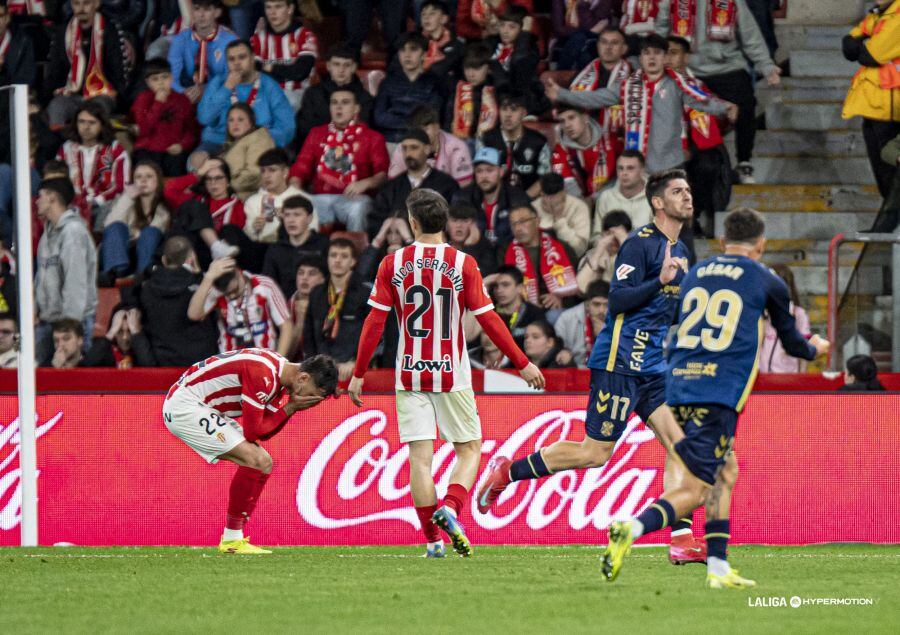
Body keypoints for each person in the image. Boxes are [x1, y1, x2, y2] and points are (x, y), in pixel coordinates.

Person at [478, 169, 711, 565]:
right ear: (657, 202)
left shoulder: (682, 251)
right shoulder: (640, 244)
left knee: (681, 446)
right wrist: (659, 281)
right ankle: (507, 472)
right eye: (677, 191)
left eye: (688, 190)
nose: (687, 196)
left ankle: (682, 539)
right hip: (619, 361)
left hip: (653, 365)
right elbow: (617, 301)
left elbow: (668, 311)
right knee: (595, 452)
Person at [602, 207, 829, 588]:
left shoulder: (696, 273)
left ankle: (718, 568)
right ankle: (632, 527)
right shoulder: (767, 279)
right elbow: (793, 344)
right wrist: (816, 348)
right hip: (717, 392)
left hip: (677, 386)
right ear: (761, 244)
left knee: (726, 471)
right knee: (696, 488)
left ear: (723, 241)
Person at [348, 188, 545, 558]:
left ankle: (433, 542)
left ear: (413, 222)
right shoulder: (463, 263)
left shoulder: (392, 262)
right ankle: (451, 508)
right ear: (444, 222)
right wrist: (522, 362)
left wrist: (359, 372)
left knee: (420, 459)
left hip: (409, 372)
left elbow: (375, 321)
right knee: (469, 449)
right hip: (451, 372)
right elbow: (489, 319)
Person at [162, 349, 337, 553]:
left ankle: (233, 539)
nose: (310, 402)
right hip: (185, 407)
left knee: (263, 462)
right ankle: (231, 541)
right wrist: (290, 408)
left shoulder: (279, 377)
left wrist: (290, 408)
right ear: (303, 378)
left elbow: (266, 431)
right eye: (312, 396)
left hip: (201, 406)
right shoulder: (262, 373)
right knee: (254, 459)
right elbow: (254, 432)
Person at [547, 34, 736, 174]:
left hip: (670, 163)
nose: (652, 58)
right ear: (640, 59)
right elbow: (596, 97)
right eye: (646, 53)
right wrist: (562, 94)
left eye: (657, 53)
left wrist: (725, 107)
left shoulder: (677, 84)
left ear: (664, 58)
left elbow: (701, 100)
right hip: (638, 163)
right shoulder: (628, 85)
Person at [654, 0, 782, 184]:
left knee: (746, 103)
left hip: (728, 67)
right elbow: (660, 33)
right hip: (687, 70)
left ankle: (744, 161)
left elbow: (750, 34)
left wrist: (766, 66)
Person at [290, 89, 389, 233]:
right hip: (320, 197)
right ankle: (309, 247)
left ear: (356, 109)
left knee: (358, 207)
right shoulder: (317, 133)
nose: (338, 107)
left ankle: (355, 246)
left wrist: (366, 183)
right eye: (334, 103)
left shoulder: (373, 137)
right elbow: (301, 166)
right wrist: (294, 187)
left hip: (355, 199)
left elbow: (382, 174)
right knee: (295, 207)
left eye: (345, 102)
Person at [665, 35, 732, 236]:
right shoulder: (652, 86)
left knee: (709, 163)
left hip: (696, 146)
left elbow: (717, 122)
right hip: (662, 146)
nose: (667, 58)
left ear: (686, 58)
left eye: (673, 53)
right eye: (664, 53)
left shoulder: (697, 86)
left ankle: (694, 212)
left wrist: (725, 114)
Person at [194, 40, 295, 169]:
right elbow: (204, 118)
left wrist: (261, 138)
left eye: (242, 57)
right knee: (194, 162)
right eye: (231, 59)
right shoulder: (218, 82)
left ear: (252, 58)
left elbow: (287, 127)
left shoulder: (269, 85)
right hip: (219, 142)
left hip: (258, 144)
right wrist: (226, 88)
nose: (236, 63)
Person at [34, 178, 97, 366]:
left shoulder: (73, 232)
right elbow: (40, 277)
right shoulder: (47, 235)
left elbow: (75, 282)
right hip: (49, 321)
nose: (36, 201)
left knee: (71, 380)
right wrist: (35, 310)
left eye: (40, 196)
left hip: (71, 324)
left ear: (52, 197)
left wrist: (69, 329)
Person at [841, 0, 900, 199]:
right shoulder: (879, 12)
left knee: (891, 177)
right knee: (884, 178)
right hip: (875, 106)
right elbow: (849, 43)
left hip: (892, 109)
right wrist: (858, 43)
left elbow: (871, 55)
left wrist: (861, 44)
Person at [137, 235, 220, 366]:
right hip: (200, 362)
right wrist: (199, 276)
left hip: (164, 361)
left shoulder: (146, 287)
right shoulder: (201, 286)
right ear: (191, 258)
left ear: (164, 260)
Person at [44, 0, 129, 128]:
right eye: (76, 4)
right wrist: (50, 95)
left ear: (96, 4)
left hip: (102, 94)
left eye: (86, 3)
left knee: (95, 110)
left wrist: (117, 93)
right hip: (71, 93)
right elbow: (55, 69)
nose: (81, 8)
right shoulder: (63, 31)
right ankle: (58, 141)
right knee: (56, 107)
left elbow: (118, 69)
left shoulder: (110, 29)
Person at [188, 256, 293, 355]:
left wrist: (278, 362)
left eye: (235, 290)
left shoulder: (264, 286)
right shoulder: (217, 291)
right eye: (227, 293)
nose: (232, 296)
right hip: (229, 361)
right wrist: (208, 278)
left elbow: (286, 326)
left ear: (239, 272)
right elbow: (193, 314)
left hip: (263, 358)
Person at [369, 128, 460, 240]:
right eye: (404, 148)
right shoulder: (390, 187)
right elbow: (375, 223)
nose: (408, 154)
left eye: (414, 148)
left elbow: (453, 222)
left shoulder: (447, 185)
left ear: (427, 149)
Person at [301, 237, 370, 381]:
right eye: (333, 255)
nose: (337, 260)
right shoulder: (316, 293)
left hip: (353, 371)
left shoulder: (365, 294)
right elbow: (309, 336)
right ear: (327, 259)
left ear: (353, 261)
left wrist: (355, 362)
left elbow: (375, 335)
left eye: (344, 256)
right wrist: (314, 366)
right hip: (321, 372)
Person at [56, 99, 131, 224]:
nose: (86, 127)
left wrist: (95, 201)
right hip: (71, 208)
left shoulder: (115, 150)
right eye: (81, 122)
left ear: (102, 125)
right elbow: (57, 181)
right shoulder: (66, 149)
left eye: (92, 122)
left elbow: (121, 186)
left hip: (105, 206)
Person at [503, 204, 580, 320]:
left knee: (554, 316)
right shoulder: (506, 252)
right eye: (514, 224)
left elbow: (577, 284)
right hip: (522, 310)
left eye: (523, 222)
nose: (518, 228)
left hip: (556, 309)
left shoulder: (561, 248)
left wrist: (560, 297)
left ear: (537, 221)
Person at [164, 157, 246, 265]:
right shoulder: (197, 200)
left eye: (218, 178)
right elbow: (169, 191)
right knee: (191, 207)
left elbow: (236, 236)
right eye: (208, 179)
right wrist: (198, 174)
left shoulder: (238, 205)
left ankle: (217, 248)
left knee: (229, 230)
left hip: (223, 255)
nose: (213, 183)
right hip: (194, 251)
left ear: (228, 181)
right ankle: (215, 247)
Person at [99, 161, 170, 281]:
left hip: (145, 257)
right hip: (116, 255)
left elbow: (156, 232)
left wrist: (134, 236)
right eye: (138, 177)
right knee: (116, 226)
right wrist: (128, 198)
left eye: (149, 176)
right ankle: (115, 273)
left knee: (150, 233)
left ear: (158, 181)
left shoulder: (163, 209)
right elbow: (109, 227)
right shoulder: (125, 201)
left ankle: (143, 277)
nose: (143, 180)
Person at [295, 43, 375, 147]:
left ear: (354, 67)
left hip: (353, 149)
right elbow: (304, 127)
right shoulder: (313, 93)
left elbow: (363, 130)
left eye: (347, 65)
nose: (341, 70)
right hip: (316, 148)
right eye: (337, 64)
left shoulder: (365, 98)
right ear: (328, 66)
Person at [477, 89, 551, 198]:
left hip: (530, 200)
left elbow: (544, 178)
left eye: (513, 109)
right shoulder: (486, 139)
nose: (508, 115)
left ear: (524, 113)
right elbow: (481, 176)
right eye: (504, 109)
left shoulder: (538, 141)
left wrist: (523, 200)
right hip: (495, 199)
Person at [131, 58, 199, 177]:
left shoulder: (182, 100)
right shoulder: (143, 99)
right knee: (145, 168)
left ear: (172, 78)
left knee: (178, 165)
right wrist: (158, 103)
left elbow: (191, 130)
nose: (161, 82)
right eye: (155, 79)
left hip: (173, 150)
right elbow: (143, 130)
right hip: (148, 149)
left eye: (165, 77)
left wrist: (182, 145)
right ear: (148, 83)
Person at [374, 32, 445, 146]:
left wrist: (399, 120)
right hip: (389, 141)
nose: (407, 55)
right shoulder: (388, 82)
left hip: (420, 143)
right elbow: (379, 117)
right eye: (402, 50)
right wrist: (411, 121)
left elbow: (429, 118)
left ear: (424, 54)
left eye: (413, 49)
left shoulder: (434, 82)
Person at [453, 146, 530, 247]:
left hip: (508, 252)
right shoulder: (462, 198)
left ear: (501, 172)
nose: (484, 176)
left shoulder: (517, 199)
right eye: (479, 171)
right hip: (474, 251)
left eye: (489, 170)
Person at [251, 0, 318, 113]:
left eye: (278, 7)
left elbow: (299, 73)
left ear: (290, 9)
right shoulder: (257, 38)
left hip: (296, 94)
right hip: (264, 94)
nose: (272, 12)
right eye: (268, 7)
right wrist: (285, 71)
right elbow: (254, 71)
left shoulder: (305, 36)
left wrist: (268, 67)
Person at [168, 0, 238, 104]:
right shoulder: (180, 39)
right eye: (197, 9)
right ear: (191, 11)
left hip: (219, 96)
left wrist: (206, 91)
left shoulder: (230, 41)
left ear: (217, 12)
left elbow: (232, 77)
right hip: (187, 94)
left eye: (207, 9)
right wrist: (184, 93)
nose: (201, 15)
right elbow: (171, 76)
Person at [262, 195, 329, 298]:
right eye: (287, 215)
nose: (291, 220)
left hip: (318, 301)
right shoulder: (275, 249)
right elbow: (268, 284)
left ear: (309, 218)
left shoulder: (324, 244)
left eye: (297, 215)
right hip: (283, 303)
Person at [388, 105, 474, 186]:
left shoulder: (457, 147)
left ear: (437, 127)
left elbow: (463, 186)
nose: (421, 134)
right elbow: (394, 185)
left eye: (425, 129)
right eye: (417, 130)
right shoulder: (402, 148)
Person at [486, 6, 548, 116]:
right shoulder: (493, 44)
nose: (505, 31)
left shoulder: (529, 48)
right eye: (502, 25)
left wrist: (524, 34)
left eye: (512, 27)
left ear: (522, 28)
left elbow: (519, 62)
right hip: (495, 98)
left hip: (522, 101)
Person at [568, 26, 631, 133]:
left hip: (618, 133)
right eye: (604, 42)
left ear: (624, 49)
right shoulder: (583, 75)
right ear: (598, 46)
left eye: (614, 43)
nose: (608, 47)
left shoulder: (633, 76)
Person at [243, 148, 312, 246]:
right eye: (263, 171)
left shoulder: (302, 198)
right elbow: (247, 238)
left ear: (285, 172)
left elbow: (312, 231)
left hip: (293, 247)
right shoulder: (252, 201)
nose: (266, 176)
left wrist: (288, 219)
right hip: (262, 247)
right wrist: (254, 228)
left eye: (272, 170)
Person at [550, 105, 618, 200]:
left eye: (571, 117)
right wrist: (582, 204)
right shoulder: (560, 150)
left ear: (585, 117)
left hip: (611, 198)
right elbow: (568, 184)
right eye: (562, 121)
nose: (567, 125)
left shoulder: (611, 141)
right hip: (580, 203)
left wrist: (594, 199)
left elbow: (623, 176)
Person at [447, 43, 498, 153]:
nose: (471, 74)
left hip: (489, 145)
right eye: (467, 68)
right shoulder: (458, 89)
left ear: (488, 68)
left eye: (476, 68)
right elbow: (448, 121)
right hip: (461, 143)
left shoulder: (496, 90)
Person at [219, 103, 276, 200]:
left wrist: (225, 186)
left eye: (240, 119)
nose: (235, 124)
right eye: (231, 120)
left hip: (249, 200)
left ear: (251, 122)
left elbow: (255, 173)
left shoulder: (259, 139)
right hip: (231, 197)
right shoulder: (235, 143)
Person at [760, 264, 810, 373]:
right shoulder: (760, 313)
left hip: (788, 375)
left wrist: (801, 377)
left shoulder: (799, 314)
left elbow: (804, 350)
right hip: (763, 375)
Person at [592, 150, 652, 239]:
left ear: (642, 170)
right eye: (620, 168)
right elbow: (597, 235)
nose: (624, 173)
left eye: (630, 168)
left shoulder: (655, 197)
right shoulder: (605, 197)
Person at [532, 172, 591, 257]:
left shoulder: (579, 207)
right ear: (541, 194)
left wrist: (559, 219)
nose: (550, 201)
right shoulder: (533, 208)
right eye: (546, 196)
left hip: (570, 259)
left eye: (553, 197)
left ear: (564, 192)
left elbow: (579, 249)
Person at [553, 279, 609, 368]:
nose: (601, 310)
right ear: (587, 304)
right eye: (596, 304)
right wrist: (564, 353)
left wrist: (607, 337)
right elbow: (555, 347)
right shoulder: (567, 318)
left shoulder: (619, 320)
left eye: (606, 305)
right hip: (573, 368)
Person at [81, 305, 155, 367]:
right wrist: (111, 332)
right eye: (120, 331)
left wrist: (136, 332)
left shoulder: (147, 347)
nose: (125, 337)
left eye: (130, 331)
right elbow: (85, 365)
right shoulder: (102, 348)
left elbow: (149, 368)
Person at [550, 0, 616, 71]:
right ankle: (564, 73)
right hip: (566, 38)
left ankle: (560, 73)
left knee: (584, 52)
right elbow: (559, 29)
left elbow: (590, 25)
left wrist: (582, 5)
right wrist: (591, 31)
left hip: (594, 39)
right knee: (580, 39)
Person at [487, 264, 545, 343]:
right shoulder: (489, 314)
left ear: (520, 288)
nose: (499, 290)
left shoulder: (535, 314)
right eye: (495, 286)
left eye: (505, 285)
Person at [577, 209, 632, 291]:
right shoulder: (591, 255)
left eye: (619, 234)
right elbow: (581, 287)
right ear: (602, 234)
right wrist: (597, 254)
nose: (614, 239)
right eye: (609, 233)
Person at [285, 255, 326, 360]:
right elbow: (284, 357)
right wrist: (300, 322)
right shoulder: (286, 306)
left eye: (312, 273)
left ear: (324, 279)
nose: (304, 278)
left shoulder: (331, 303)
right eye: (301, 273)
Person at [419, 0, 464, 93]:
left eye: (432, 13)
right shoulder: (416, 43)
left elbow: (442, 68)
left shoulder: (456, 43)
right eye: (423, 14)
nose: (426, 17)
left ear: (444, 19)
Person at [446, 202, 498, 276]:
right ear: (446, 225)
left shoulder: (486, 248)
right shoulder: (440, 246)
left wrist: (470, 247)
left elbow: (474, 276)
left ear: (474, 224)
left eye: (465, 221)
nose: (459, 225)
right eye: (454, 220)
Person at [455, 0, 533, 41]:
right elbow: (461, 27)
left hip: (516, 40)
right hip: (482, 41)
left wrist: (497, 5)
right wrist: (484, 33)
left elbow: (524, 17)